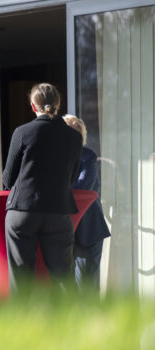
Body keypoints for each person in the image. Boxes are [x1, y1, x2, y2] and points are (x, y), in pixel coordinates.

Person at [2, 83, 82, 290]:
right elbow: (72, 176)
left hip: (23, 210)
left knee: (21, 278)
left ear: (32, 106)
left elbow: (8, 178)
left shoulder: (22, 132)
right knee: (64, 276)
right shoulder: (74, 136)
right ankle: (72, 320)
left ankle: (23, 321)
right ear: (58, 104)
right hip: (58, 210)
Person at [63, 114, 111, 290]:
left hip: (87, 230)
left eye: (75, 133)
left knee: (87, 288)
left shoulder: (87, 157)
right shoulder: (55, 159)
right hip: (64, 231)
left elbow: (80, 188)